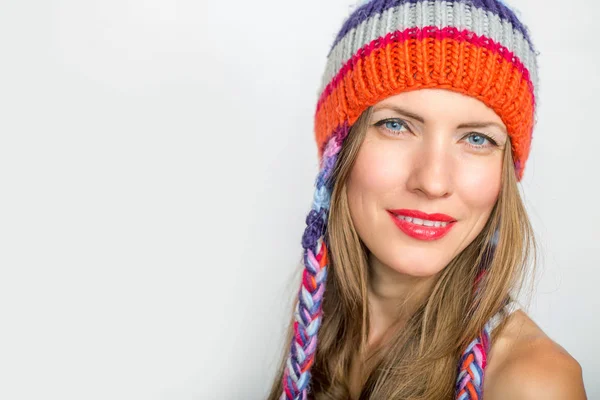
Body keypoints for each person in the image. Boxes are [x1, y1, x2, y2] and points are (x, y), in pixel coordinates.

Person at [268, 0, 587, 398]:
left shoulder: (532, 381)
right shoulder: (321, 334)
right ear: (337, 153)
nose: (433, 182)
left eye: (476, 138)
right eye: (396, 125)